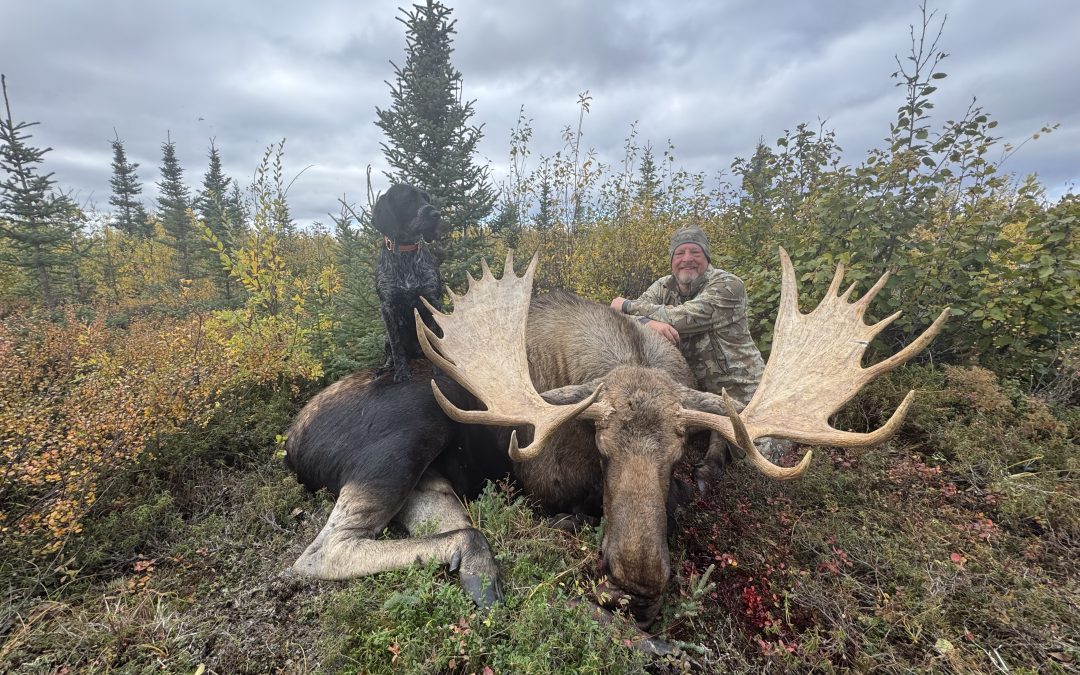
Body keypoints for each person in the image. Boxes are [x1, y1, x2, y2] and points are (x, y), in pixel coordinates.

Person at [610, 226, 777, 487]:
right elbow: (619, 320)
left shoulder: (728, 285)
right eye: (680, 253)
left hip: (740, 393)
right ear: (672, 259)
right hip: (691, 394)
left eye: (695, 252)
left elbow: (685, 317)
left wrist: (628, 305)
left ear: (707, 257)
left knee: (761, 466)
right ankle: (714, 442)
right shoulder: (663, 286)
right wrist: (647, 322)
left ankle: (724, 442)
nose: (687, 258)